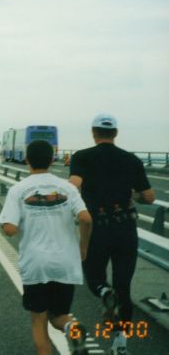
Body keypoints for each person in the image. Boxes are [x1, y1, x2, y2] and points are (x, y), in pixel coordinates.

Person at [69, 114, 155, 355]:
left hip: (97, 228)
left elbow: (73, 184)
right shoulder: (131, 159)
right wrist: (133, 195)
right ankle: (120, 345)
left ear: (93, 132)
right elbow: (148, 197)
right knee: (124, 286)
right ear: (115, 133)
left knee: (95, 277)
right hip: (125, 228)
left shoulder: (81, 157)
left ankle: (104, 293)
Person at [0, 140, 92, 355]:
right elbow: (86, 219)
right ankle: (72, 327)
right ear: (52, 160)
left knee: (39, 321)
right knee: (59, 315)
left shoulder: (18, 189)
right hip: (66, 262)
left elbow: (10, 229)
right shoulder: (68, 188)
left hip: (36, 263)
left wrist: (8, 224)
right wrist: (83, 247)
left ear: (27, 160)